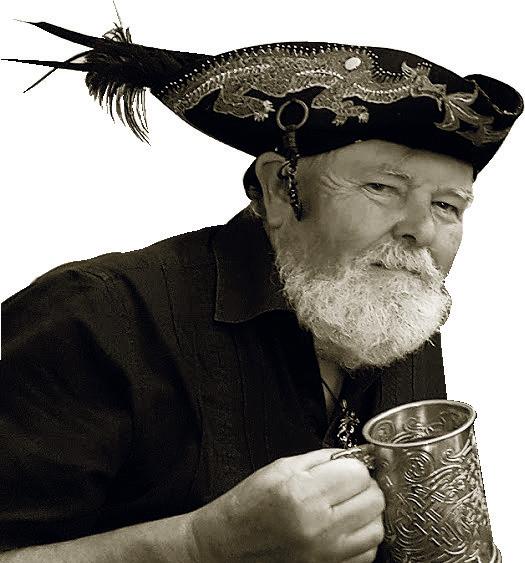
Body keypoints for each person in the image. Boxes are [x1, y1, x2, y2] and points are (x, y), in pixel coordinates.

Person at [1, 20, 522, 563]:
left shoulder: (396, 313)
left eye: (447, 206)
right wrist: (200, 546)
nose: (421, 229)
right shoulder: (96, 317)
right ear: (278, 189)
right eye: (382, 187)